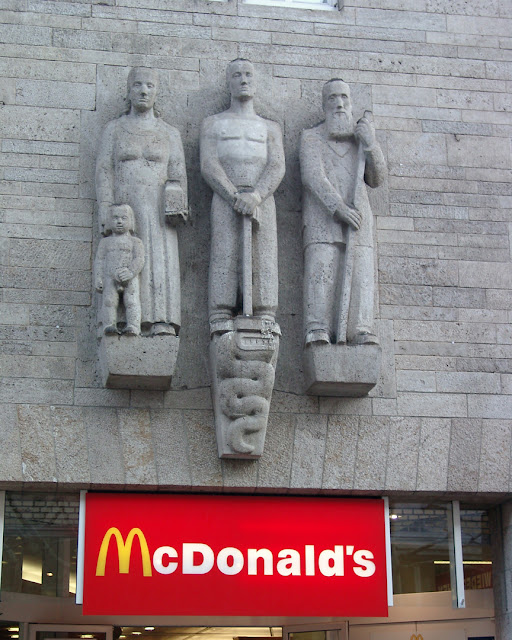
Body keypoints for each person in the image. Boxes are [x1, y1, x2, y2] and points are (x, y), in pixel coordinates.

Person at [95, 67, 188, 337]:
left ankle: (161, 320)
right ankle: (121, 322)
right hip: (124, 206)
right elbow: (104, 171)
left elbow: (178, 173)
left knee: (160, 261)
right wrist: (105, 211)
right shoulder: (114, 129)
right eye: (137, 85)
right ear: (128, 90)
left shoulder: (169, 133)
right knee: (122, 261)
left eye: (149, 85)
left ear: (157, 92)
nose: (144, 90)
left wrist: (176, 201)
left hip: (158, 210)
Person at [200, 58, 285, 334]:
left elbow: (276, 165)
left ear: (256, 82)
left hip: (262, 199)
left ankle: (264, 315)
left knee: (264, 256)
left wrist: (257, 196)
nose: (244, 79)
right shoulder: (213, 123)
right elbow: (209, 164)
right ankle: (221, 313)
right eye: (237, 75)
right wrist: (233, 194)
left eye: (248, 74)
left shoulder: (270, 127)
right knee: (224, 252)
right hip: (226, 198)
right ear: (229, 83)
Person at [300, 78, 386, 347]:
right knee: (321, 271)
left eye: (344, 98)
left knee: (361, 273)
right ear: (324, 105)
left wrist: (371, 145)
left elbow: (377, 178)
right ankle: (318, 327)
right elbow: (313, 176)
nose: (339, 104)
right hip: (323, 220)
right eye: (332, 98)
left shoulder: (361, 141)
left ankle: (361, 328)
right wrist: (338, 208)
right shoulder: (311, 137)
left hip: (359, 218)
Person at [94, 204, 144, 336]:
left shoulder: (135, 241)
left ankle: (133, 325)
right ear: (109, 221)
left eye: (124, 218)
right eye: (115, 218)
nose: (119, 221)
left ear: (131, 221)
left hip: (129, 277)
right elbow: (99, 260)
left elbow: (139, 259)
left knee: (132, 301)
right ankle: (109, 324)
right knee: (109, 301)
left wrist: (131, 272)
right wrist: (98, 278)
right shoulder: (105, 242)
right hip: (109, 276)